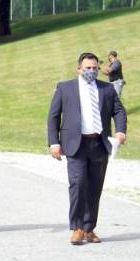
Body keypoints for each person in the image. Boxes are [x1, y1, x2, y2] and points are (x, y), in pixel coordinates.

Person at [47, 53, 127, 245]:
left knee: (94, 188)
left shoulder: (106, 89)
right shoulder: (65, 88)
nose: (91, 71)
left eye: (94, 68)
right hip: (76, 145)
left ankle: (89, 228)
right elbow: (54, 116)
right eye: (87, 68)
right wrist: (54, 142)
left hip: (99, 144)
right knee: (78, 184)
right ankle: (77, 228)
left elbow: (119, 111)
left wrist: (121, 132)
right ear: (79, 69)